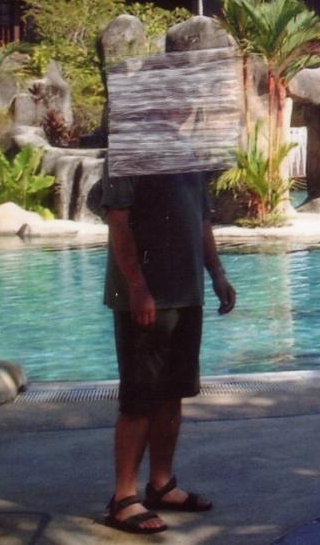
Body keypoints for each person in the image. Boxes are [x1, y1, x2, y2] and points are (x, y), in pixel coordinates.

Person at [101, 170, 236, 535]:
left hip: (185, 292)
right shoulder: (129, 151)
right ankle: (123, 498)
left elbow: (201, 218)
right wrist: (136, 286)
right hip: (144, 297)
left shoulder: (186, 154)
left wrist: (217, 273)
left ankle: (161, 484)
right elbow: (118, 220)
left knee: (173, 393)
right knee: (139, 398)